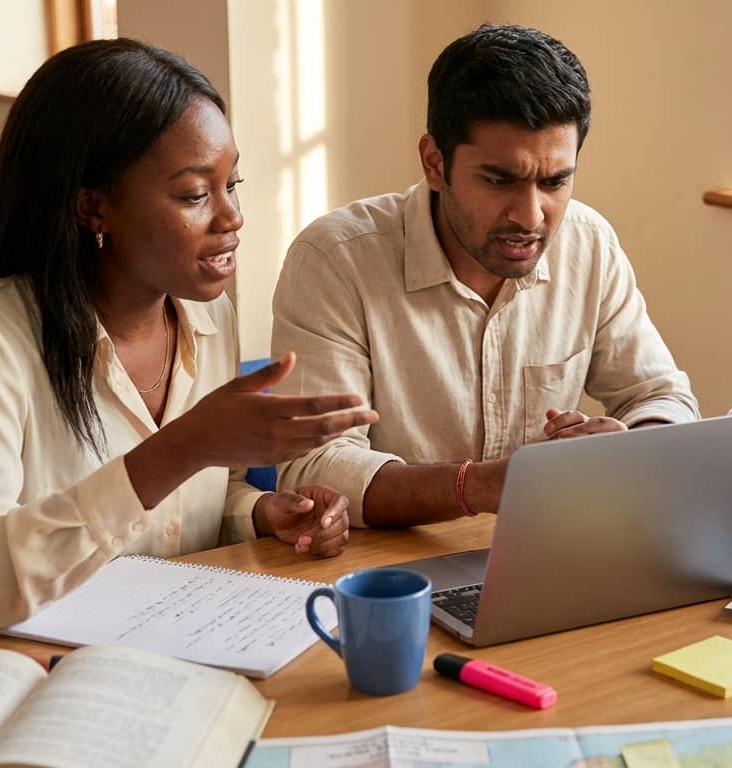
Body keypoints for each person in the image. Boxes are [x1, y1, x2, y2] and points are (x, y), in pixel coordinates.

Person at [0, 39, 379, 640]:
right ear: (92, 209)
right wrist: (177, 451)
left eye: (232, 183)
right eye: (194, 195)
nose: (232, 217)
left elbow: (200, 503)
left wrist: (259, 514)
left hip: (181, 646)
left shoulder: (209, 316)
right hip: (43, 665)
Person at [269, 24, 699, 529]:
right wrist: (478, 485)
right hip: (389, 565)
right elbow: (312, 468)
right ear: (435, 163)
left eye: (555, 181)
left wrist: (631, 446)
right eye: (499, 180)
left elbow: (662, 396)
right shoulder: (334, 259)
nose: (531, 216)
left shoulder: (589, 244)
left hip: (541, 550)